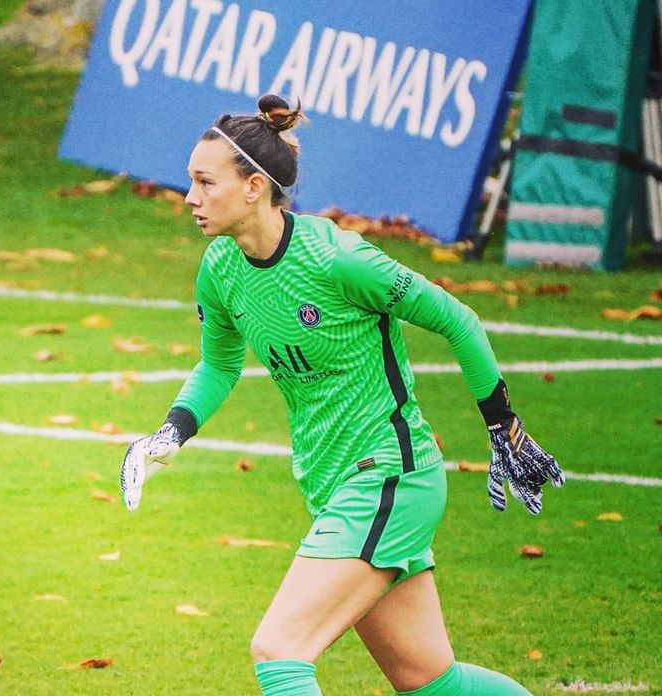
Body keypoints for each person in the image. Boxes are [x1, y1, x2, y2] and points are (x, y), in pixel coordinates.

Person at [120, 94, 565, 696]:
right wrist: (170, 431)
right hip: (332, 486)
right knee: (433, 683)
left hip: (389, 478)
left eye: (205, 182)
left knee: (279, 651)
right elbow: (218, 366)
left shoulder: (339, 260)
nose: (190, 197)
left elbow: (459, 319)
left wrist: (501, 425)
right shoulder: (220, 269)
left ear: (254, 187)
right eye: (190, 181)